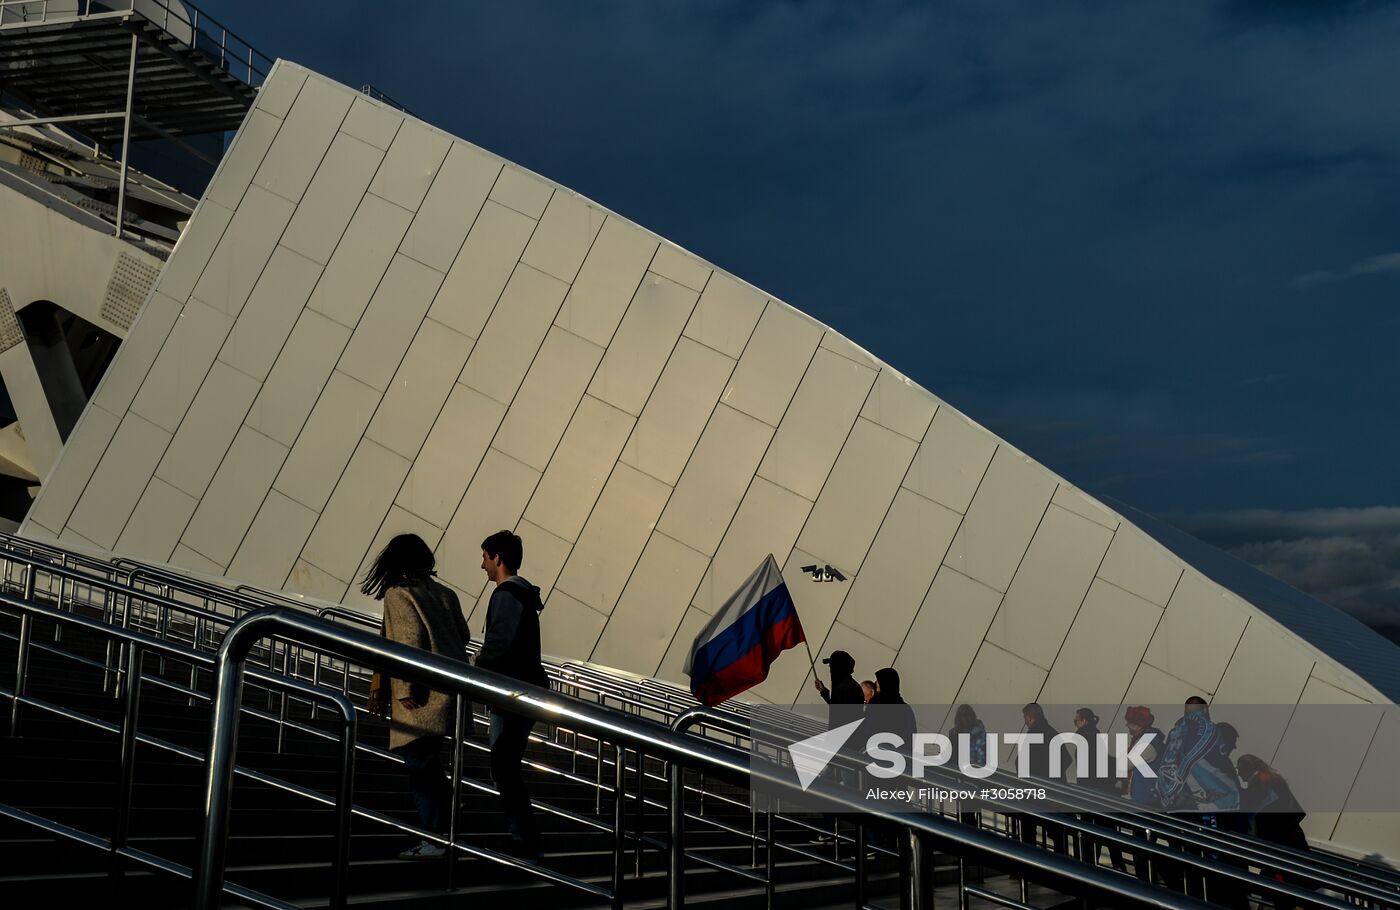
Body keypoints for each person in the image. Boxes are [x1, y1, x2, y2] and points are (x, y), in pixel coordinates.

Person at [363, 534, 472, 861]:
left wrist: (406, 689)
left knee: (418, 765)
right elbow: (463, 636)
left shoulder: (399, 595)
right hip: (450, 692)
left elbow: (409, 641)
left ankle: (435, 835)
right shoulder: (445, 594)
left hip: (420, 696)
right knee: (426, 762)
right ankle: (445, 821)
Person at [477, 529, 549, 860]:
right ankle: (523, 836)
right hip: (524, 690)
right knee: (505, 766)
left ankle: (524, 838)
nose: (482, 565)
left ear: (498, 559)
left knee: (503, 767)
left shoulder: (506, 594)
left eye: (485, 557)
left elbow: (498, 644)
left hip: (511, 694)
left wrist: (477, 671)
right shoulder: (523, 596)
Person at [1237, 754, 1309, 852]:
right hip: (1293, 832)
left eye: (1239, 770)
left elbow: (1254, 803)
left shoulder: (1259, 783)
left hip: (1278, 839)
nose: (1239, 774)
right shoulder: (1274, 778)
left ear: (1247, 769)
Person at [948, 704, 987, 826]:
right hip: (962, 777)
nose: (967, 718)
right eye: (964, 715)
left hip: (973, 776)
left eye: (969, 714)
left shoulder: (978, 733)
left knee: (969, 808)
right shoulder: (955, 735)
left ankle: (970, 832)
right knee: (966, 809)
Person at [1072, 708, 1117, 795]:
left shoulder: (1085, 737)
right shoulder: (1094, 735)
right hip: (1098, 784)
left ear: (1084, 721)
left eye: (1076, 721)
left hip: (1090, 786)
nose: (1075, 724)